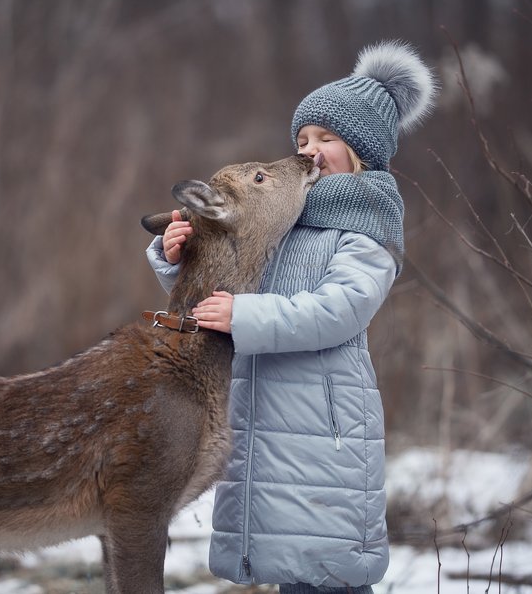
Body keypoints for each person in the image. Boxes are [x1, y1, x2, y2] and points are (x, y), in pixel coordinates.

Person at [146, 41, 437, 593]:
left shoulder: (366, 230)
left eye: (327, 139)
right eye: (302, 139)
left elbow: (339, 311)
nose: (309, 150)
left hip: (324, 430)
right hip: (263, 418)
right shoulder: (284, 221)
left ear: (364, 153)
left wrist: (244, 317)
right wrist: (177, 258)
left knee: (328, 569)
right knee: (290, 567)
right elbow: (226, 291)